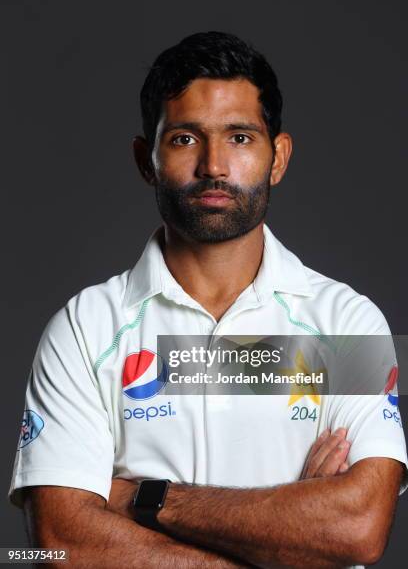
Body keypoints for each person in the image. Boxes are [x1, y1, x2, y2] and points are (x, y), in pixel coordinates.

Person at [9, 31, 408, 568]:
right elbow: (62, 542)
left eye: (240, 138)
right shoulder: (85, 329)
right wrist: (288, 531)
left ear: (279, 157)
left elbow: (356, 527)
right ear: (144, 159)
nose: (214, 165)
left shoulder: (347, 322)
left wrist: (139, 500)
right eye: (184, 139)